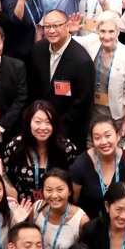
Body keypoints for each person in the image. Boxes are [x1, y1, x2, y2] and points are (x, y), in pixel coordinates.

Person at [29, 8, 95, 148]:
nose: (52, 30)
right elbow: (33, 89)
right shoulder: (38, 50)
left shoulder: (82, 61)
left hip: (67, 132)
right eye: (47, 26)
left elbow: (82, 104)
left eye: (57, 26)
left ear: (67, 26)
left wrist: (55, 128)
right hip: (39, 127)